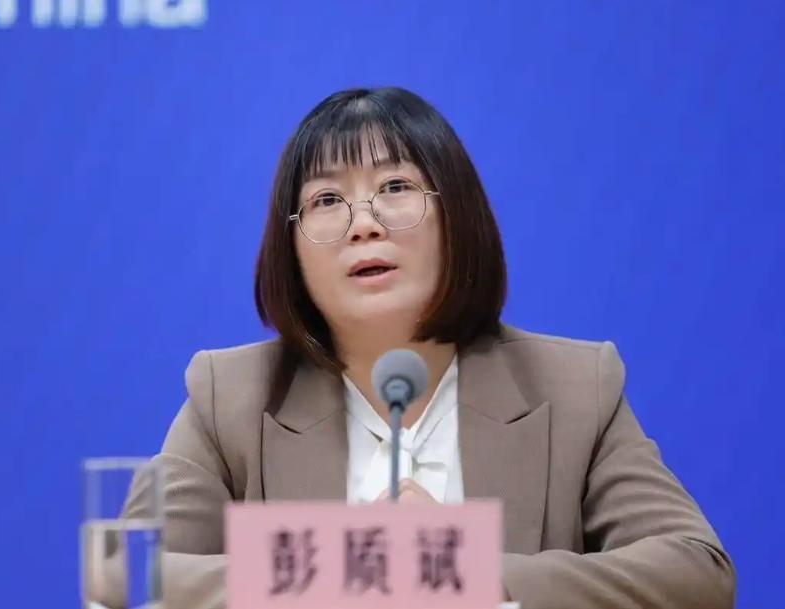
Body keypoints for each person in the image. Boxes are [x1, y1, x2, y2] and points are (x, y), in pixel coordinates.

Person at [129, 87, 735, 609]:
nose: (363, 224)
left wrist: (462, 570)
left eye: (396, 186)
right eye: (326, 200)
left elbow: (696, 571)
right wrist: (351, 565)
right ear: (291, 247)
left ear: (456, 216)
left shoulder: (573, 387)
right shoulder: (232, 397)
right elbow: (128, 574)